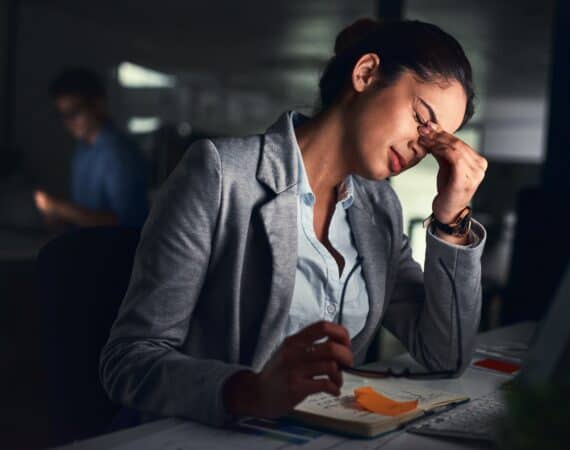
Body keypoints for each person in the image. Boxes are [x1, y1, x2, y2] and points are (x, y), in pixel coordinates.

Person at [100, 19, 488, 427]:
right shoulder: (220, 174)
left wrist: (450, 219)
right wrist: (249, 391)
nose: (421, 147)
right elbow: (129, 359)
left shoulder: (380, 210)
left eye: (436, 140)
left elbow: (445, 355)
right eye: (422, 119)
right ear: (366, 73)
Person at [34, 68, 148, 228]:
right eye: (63, 115)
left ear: (98, 104)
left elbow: (126, 223)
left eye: (75, 112)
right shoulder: (83, 149)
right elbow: (87, 214)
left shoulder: (118, 154)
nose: (69, 122)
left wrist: (61, 208)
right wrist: (60, 216)